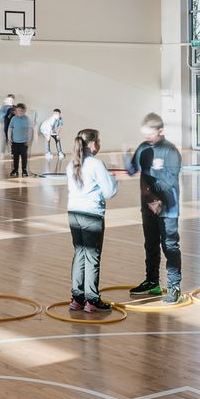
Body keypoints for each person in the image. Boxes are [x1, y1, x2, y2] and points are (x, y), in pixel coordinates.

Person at [127, 113, 184, 302]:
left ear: (161, 131)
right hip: (148, 207)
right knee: (150, 244)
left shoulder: (171, 151)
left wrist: (153, 191)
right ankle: (152, 282)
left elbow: (170, 181)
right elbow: (132, 170)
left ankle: (174, 286)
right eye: (145, 135)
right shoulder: (143, 147)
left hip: (168, 208)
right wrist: (127, 159)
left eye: (150, 134)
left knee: (169, 245)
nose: (147, 138)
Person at [66, 128, 117, 314]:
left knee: (79, 253)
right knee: (92, 257)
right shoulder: (96, 164)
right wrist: (114, 177)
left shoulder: (71, 164)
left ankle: (77, 298)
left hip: (73, 214)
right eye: (99, 140)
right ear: (93, 143)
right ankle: (92, 300)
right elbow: (110, 191)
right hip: (91, 215)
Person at [6, 103, 33, 177]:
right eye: (18, 110)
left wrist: (29, 140)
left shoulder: (27, 119)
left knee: (24, 157)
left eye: (21, 111)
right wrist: (9, 138)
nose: (19, 112)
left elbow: (30, 130)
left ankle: (24, 170)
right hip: (15, 142)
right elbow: (10, 129)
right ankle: (15, 169)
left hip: (24, 142)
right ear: (16, 111)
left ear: (24, 111)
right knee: (15, 157)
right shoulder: (14, 118)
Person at [40, 107, 64, 171]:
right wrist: (48, 135)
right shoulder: (52, 119)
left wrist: (58, 135)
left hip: (53, 131)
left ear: (60, 114)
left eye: (58, 114)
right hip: (45, 129)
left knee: (57, 139)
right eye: (55, 114)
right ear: (53, 114)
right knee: (48, 139)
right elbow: (49, 127)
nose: (56, 115)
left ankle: (60, 152)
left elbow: (59, 127)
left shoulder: (60, 119)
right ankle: (48, 152)